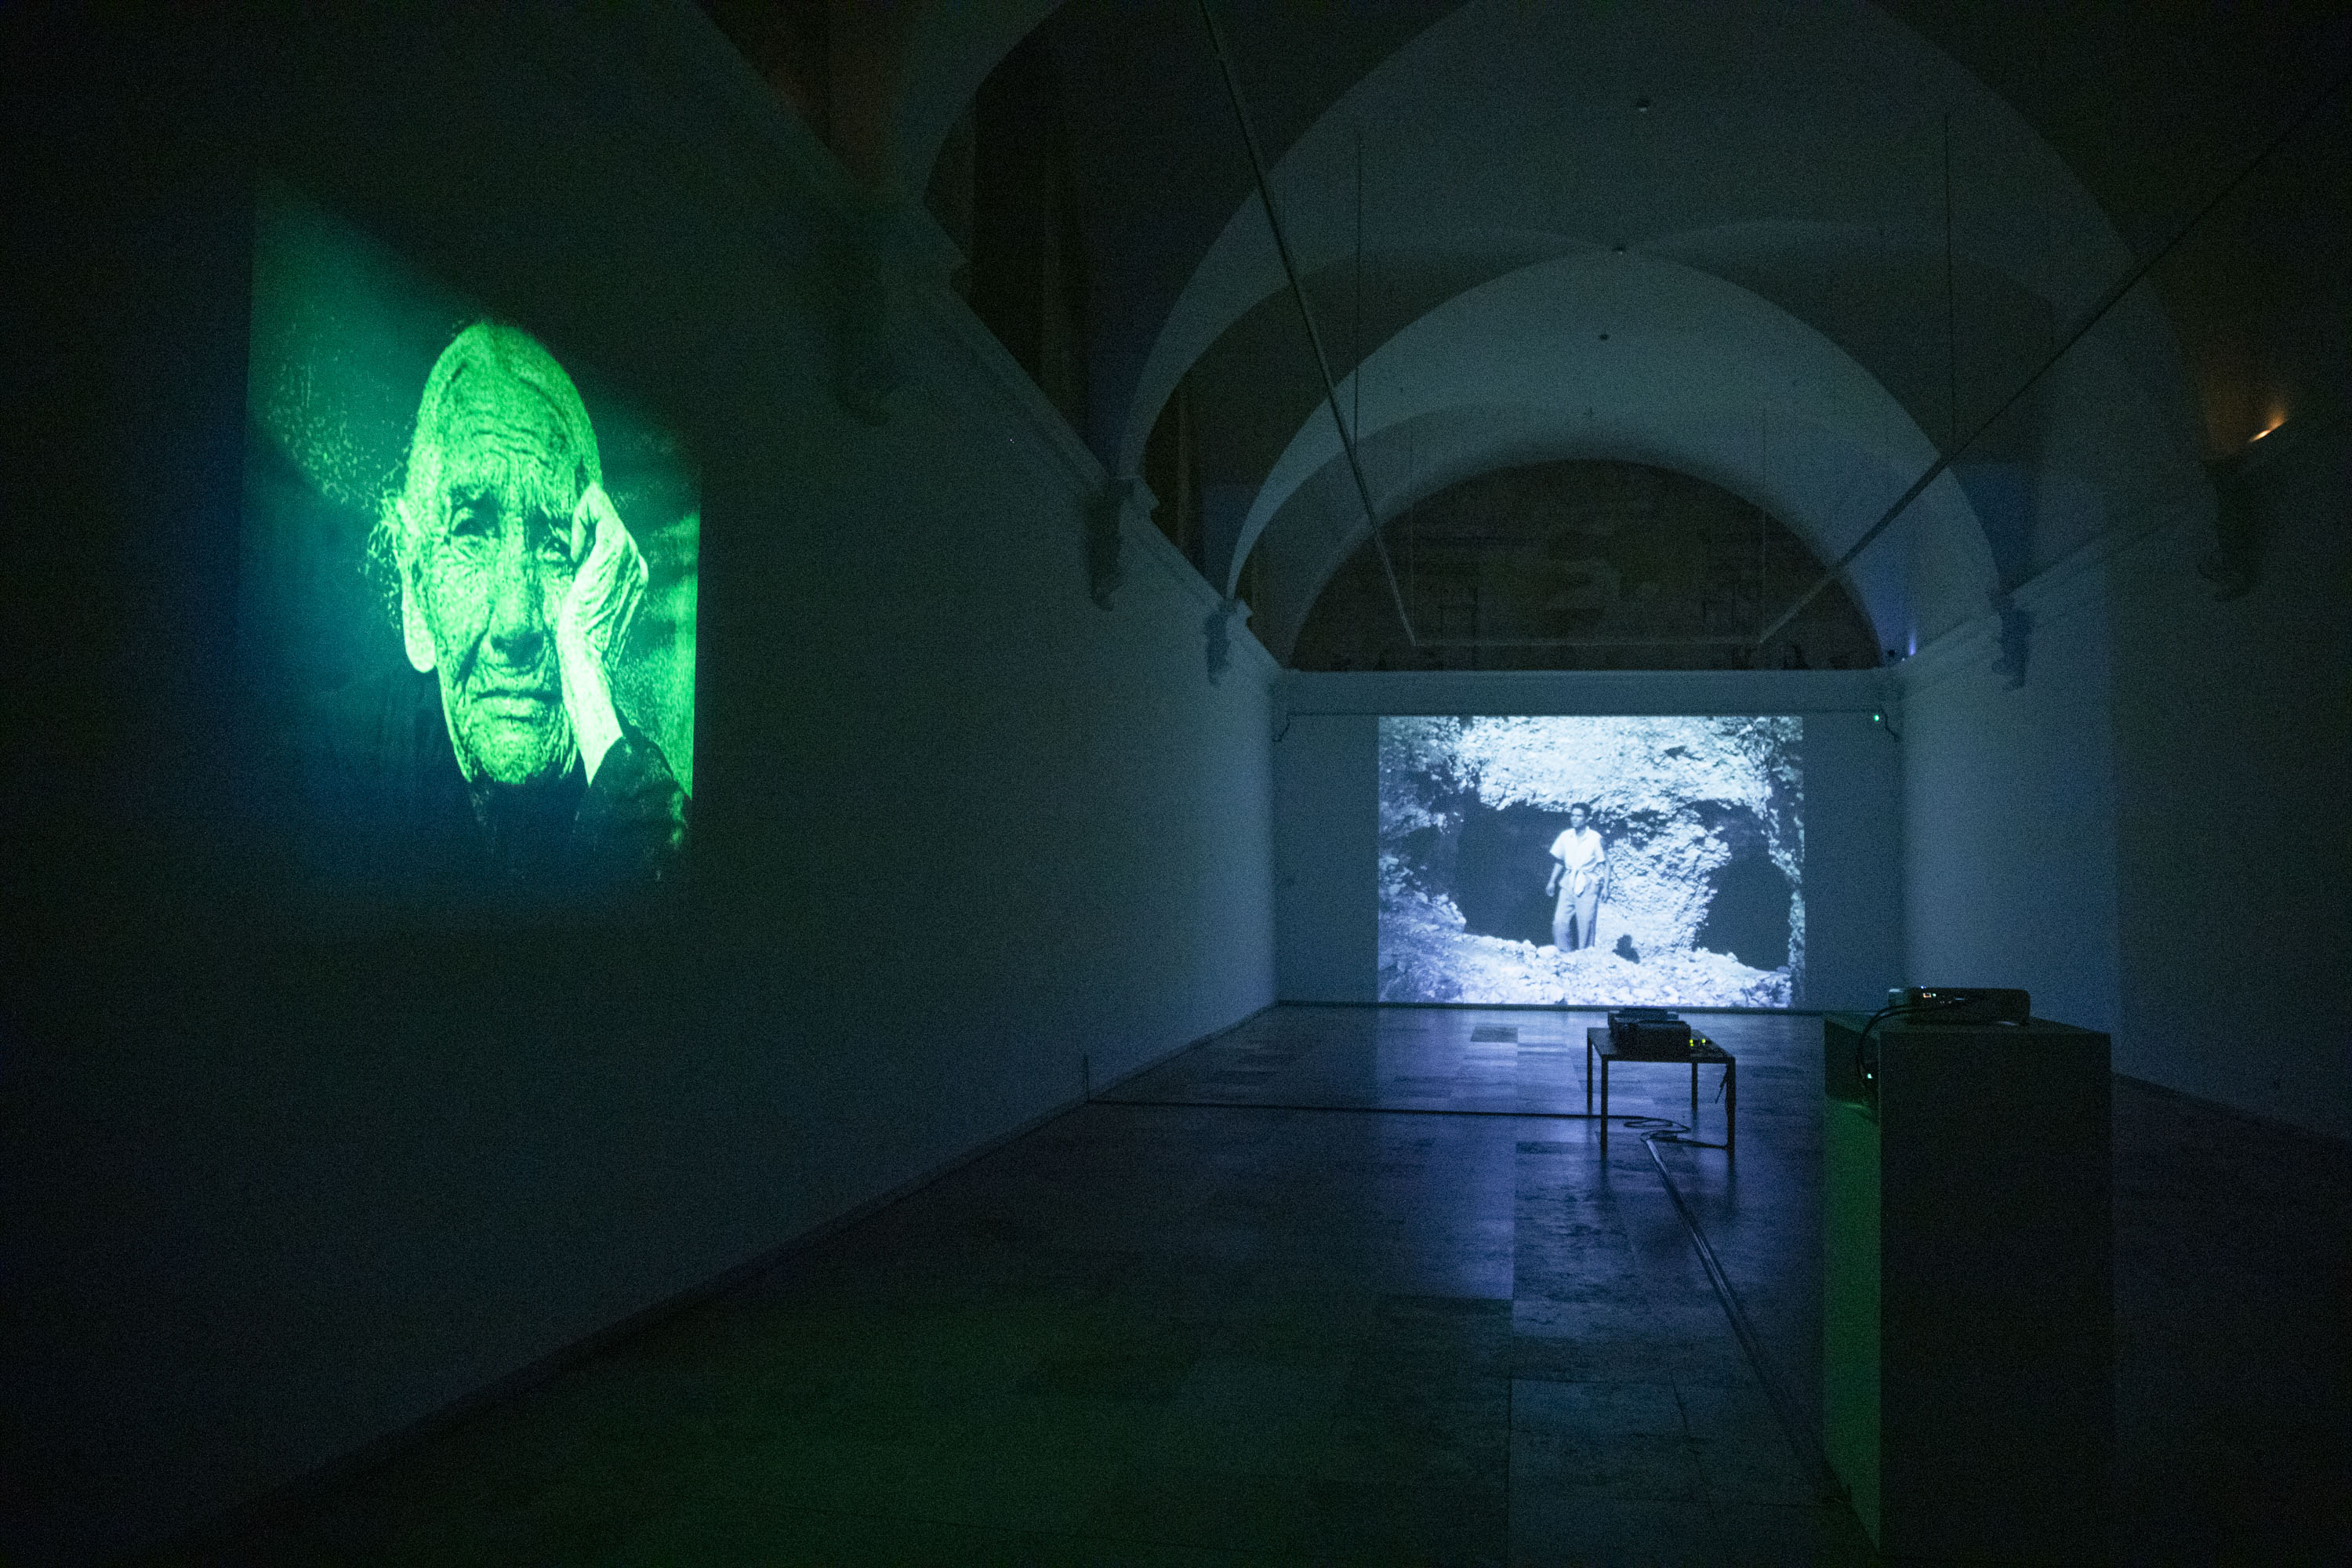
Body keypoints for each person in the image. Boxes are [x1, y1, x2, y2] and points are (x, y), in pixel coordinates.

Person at [306, 321, 687, 891]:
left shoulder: (629, 776)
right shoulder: (326, 758)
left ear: (602, 576)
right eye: (470, 532)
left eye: (556, 545)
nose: (516, 621)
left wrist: (590, 690)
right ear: (415, 588)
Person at [1546, 803, 1606, 950]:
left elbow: (1605, 863)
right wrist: (1552, 881)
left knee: (1586, 922)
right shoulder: (1566, 836)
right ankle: (1564, 952)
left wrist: (1605, 887)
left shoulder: (1595, 838)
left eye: (1579, 816)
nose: (1574, 818)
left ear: (1587, 819)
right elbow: (1560, 860)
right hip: (1568, 880)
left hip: (1588, 882)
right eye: (1573, 815)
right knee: (1559, 921)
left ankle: (1585, 955)